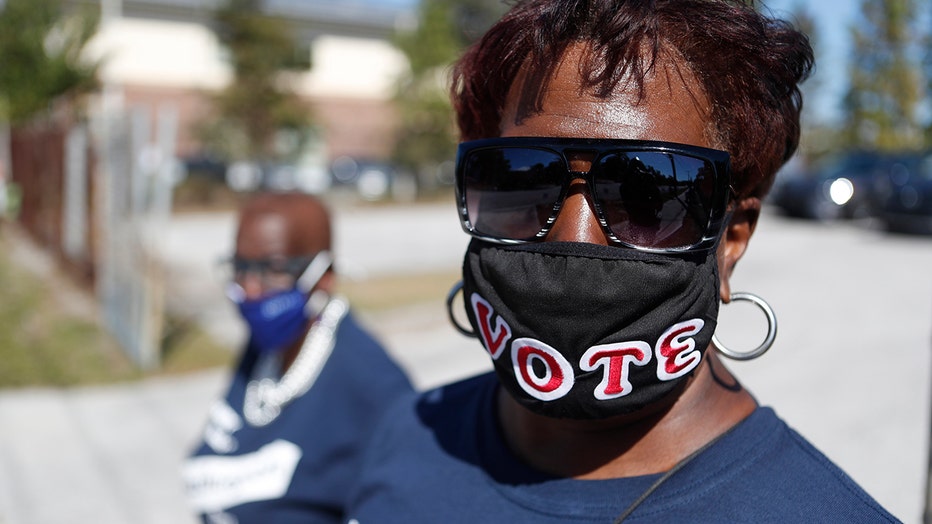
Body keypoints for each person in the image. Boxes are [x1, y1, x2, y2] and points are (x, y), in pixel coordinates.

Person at [344, 1, 899, 522]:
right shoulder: (408, 435)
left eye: (646, 195)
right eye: (524, 177)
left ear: (730, 239)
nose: (574, 236)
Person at [183, 191, 414, 523]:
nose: (249, 289)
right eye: (240, 267)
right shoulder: (265, 349)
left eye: (273, 270)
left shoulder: (374, 387)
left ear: (324, 276)